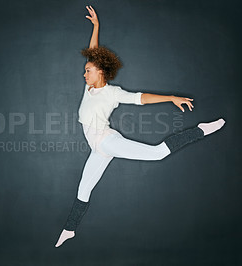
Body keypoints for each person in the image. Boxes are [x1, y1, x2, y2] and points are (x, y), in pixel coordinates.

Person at [55, 6, 225, 248]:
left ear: (100, 72)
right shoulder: (89, 88)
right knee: (84, 188)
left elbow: (141, 98)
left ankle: (201, 129)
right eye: (85, 70)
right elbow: (93, 53)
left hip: (106, 141)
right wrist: (96, 26)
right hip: (98, 149)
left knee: (156, 154)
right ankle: (70, 229)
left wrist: (171, 98)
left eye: (88, 71)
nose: (84, 73)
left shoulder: (112, 93)